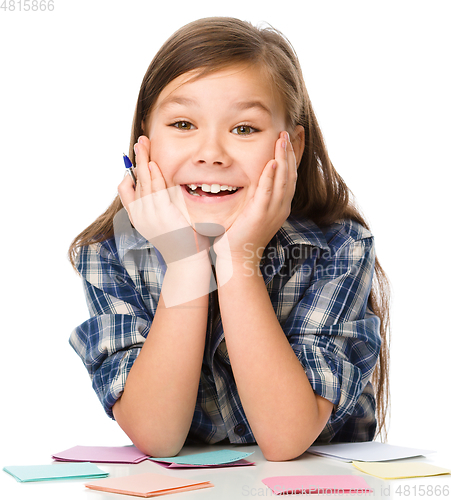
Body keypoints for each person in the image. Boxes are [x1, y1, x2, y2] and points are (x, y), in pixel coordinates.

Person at [68, 17, 390, 462]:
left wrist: (239, 259)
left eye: (244, 129)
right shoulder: (109, 254)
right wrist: (184, 262)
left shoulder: (339, 249)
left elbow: (285, 438)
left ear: (291, 147)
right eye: (183, 124)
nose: (211, 153)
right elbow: (157, 436)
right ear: (144, 141)